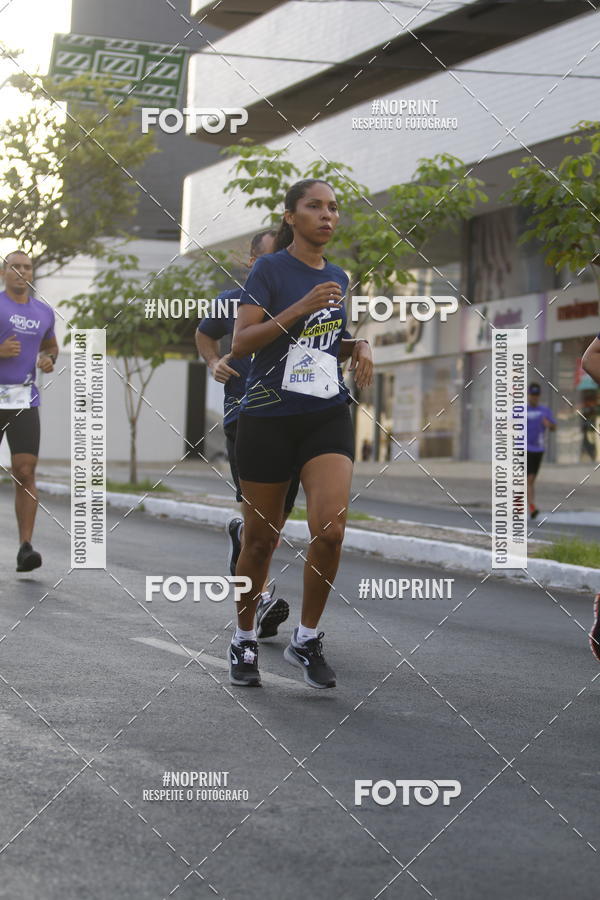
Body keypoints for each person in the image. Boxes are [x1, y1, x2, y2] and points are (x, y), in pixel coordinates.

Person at [227, 179, 373, 688]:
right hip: (267, 417)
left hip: (324, 413)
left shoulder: (338, 276)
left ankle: (306, 640)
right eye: (315, 207)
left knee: (330, 531)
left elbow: (319, 345)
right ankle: (244, 638)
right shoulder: (269, 269)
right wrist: (299, 307)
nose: (327, 215)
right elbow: (243, 342)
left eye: (334, 208)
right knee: (260, 541)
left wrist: (357, 344)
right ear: (291, 217)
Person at [196, 230, 295, 639]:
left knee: (275, 521)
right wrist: (214, 361)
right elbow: (204, 334)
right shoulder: (231, 300)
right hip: (244, 413)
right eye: (268, 260)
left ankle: (242, 537)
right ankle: (263, 599)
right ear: (253, 262)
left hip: (291, 416)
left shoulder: (295, 298)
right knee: (261, 520)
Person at [0, 250, 57, 571]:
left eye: (27, 267)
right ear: (4, 272)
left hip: (23, 400)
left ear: (32, 274)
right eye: (15, 267)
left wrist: (49, 359)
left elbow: (51, 346)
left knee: (24, 472)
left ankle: (25, 548)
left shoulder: (44, 312)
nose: (21, 272)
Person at [526, 382, 556, 519]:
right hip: (522, 448)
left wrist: (548, 424)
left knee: (530, 480)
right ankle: (531, 507)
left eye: (537, 395)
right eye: (532, 395)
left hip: (537, 449)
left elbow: (554, 427)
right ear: (528, 395)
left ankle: (528, 505)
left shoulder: (545, 411)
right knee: (527, 479)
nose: (534, 398)